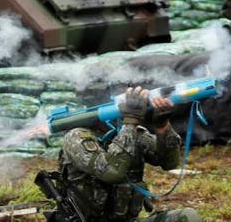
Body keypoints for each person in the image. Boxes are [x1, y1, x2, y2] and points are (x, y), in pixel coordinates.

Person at [52, 86, 202, 222]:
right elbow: (111, 173)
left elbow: (168, 162)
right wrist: (130, 122)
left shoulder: (131, 132)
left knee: (187, 217)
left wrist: (162, 126)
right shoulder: (77, 137)